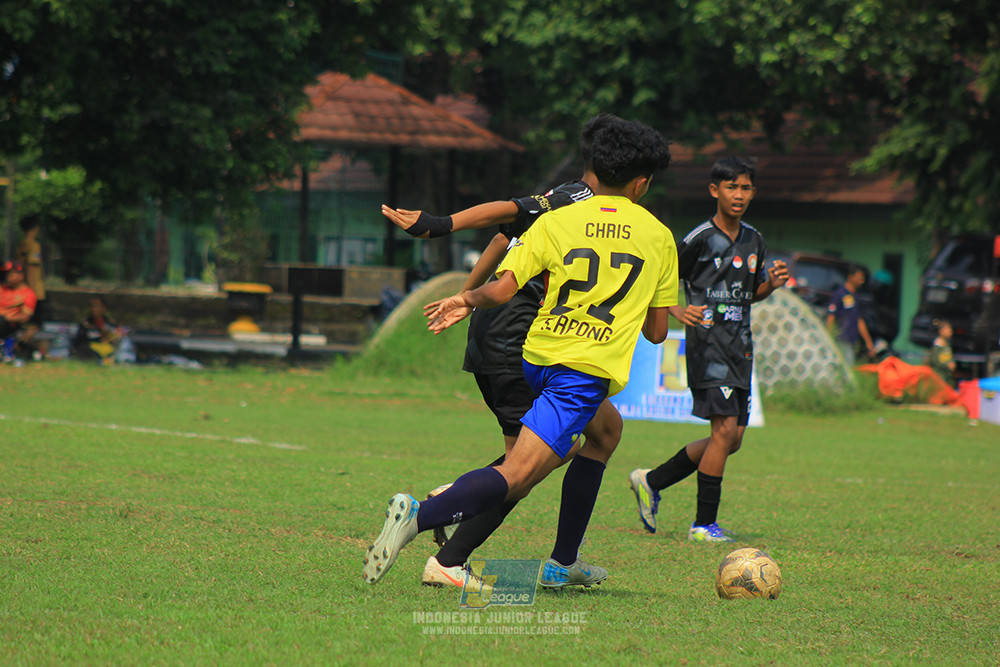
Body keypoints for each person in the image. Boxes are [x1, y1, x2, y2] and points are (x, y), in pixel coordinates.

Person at [362, 118, 677, 586]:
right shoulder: (659, 236)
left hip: (537, 356)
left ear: (594, 165)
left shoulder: (556, 218)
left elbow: (503, 282)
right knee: (519, 473)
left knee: (605, 431)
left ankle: (562, 562)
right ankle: (425, 515)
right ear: (641, 184)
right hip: (582, 369)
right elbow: (656, 332)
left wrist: (466, 297)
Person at [628, 156, 789, 543]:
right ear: (715, 190)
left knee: (732, 440)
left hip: (740, 348)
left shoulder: (754, 239)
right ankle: (703, 525)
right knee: (724, 431)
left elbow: (749, 294)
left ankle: (651, 480)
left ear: (753, 192)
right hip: (708, 346)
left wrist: (770, 285)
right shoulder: (699, 238)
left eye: (745, 188)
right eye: (732, 187)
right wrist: (677, 309)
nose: (739, 194)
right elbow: (660, 277)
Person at [826, 265, 876, 364]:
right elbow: (831, 316)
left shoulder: (856, 297)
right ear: (850, 277)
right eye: (858, 278)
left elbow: (859, 320)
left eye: (862, 279)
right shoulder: (840, 294)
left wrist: (868, 342)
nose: (861, 281)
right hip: (841, 338)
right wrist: (828, 336)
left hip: (852, 340)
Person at [73, 296, 128, 364]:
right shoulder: (85, 324)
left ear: (103, 308)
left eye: (97, 306)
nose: (93, 309)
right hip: (91, 351)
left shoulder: (111, 324)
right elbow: (80, 342)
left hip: (108, 350)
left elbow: (120, 334)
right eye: (92, 306)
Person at [0, 261, 37, 362]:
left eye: (11, 274)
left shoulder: (28, 294)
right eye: (7, 273)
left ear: (21, 276)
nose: (8, 276)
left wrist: (5, 318)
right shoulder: (2, 289)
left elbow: (25, 316)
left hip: (9, 325)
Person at [16, 216, 47, 331]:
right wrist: (31, 292)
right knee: (34, 325)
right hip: (35, 290)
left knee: (24, 324)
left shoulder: (21, 244)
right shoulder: (34, 245)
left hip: (21, 288)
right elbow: (31, 267)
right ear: (35, 228)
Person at [927, 319, 956, 387]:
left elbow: (948, 357)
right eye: (947, 329)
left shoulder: (947, 344)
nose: (950, 332)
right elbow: (934, 361)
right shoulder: (937, 345)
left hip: (947, 378)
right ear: (941, 331)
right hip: (939, 378)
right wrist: (947, 365)